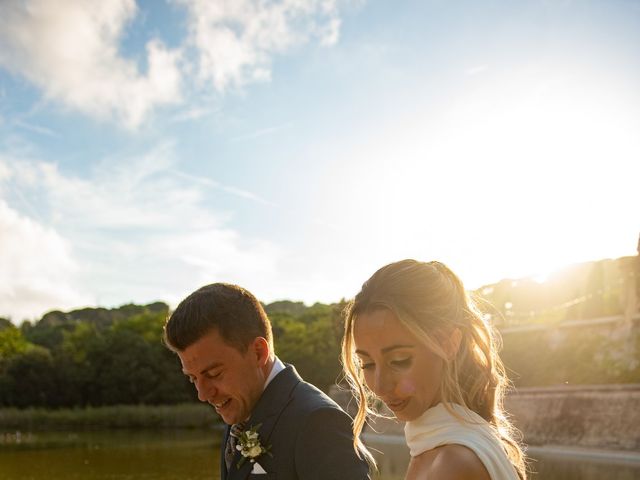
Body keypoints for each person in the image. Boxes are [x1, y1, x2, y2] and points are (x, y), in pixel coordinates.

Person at [164, 282, 371, 480]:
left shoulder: (319, 423)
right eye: (193, 378)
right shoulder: (239, 412)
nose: (203, 394)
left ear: (258, 352)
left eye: (214, 374)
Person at [341, 260, 527, 480]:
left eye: (399, 360)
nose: (380, 386)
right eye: (367, 364)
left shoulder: (451, 464)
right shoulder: (447, 445)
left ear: (448, 343)